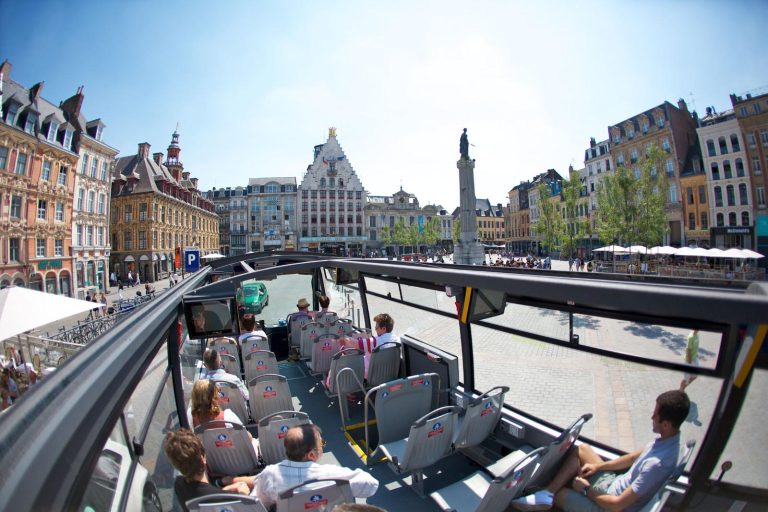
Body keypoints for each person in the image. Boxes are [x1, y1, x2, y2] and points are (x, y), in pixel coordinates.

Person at [513, 390, 690, 512]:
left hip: (609, 505)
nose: (651, 417)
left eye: (655, 415)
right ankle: (547, 493)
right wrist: (599, 467)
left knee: (561, 495)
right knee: (582, 449)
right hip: (614, 483)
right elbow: (632, 459)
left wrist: (585, 489)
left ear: (666, 424)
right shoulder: (666, 442)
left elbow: (617, 505)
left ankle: (550, 495)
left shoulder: (657, 464)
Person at [251, 424, 378, 509]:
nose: (322, 447)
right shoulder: (333, 474)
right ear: (311, 455)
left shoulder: (270, 475)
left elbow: (258, 504)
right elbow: (371, 485)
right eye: (321, 444)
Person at [164, 428, 250, 511]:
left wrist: (223, 488)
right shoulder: (230, 499)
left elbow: (207, 494)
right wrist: (244, 494)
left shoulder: (179, 484)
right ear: (203, 459)